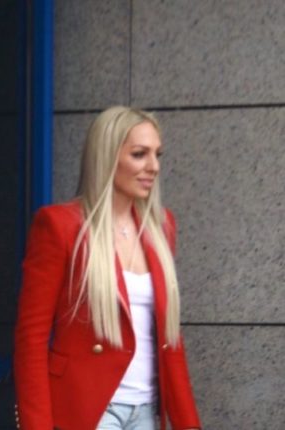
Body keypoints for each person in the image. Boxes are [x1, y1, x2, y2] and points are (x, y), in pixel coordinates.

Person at [13, 106, 201, 430]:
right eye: (139, 154)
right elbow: (31, 337)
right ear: (107, 156)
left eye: (157, 155)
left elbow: (171, 339)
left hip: (147, 409)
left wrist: (189, 424)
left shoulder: (161, 226)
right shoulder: (59, 226)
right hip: (88, 409)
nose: (154, 166)